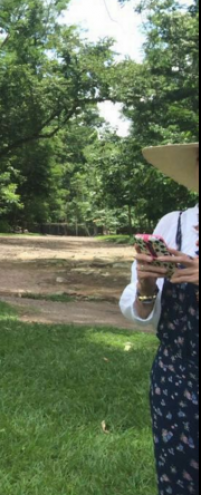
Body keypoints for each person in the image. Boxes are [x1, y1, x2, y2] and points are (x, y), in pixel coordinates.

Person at [120, 142, 199, 495]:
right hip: (178, 380)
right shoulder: (174, 224)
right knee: (179, 480)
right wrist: (146, 285)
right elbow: (141, 313)